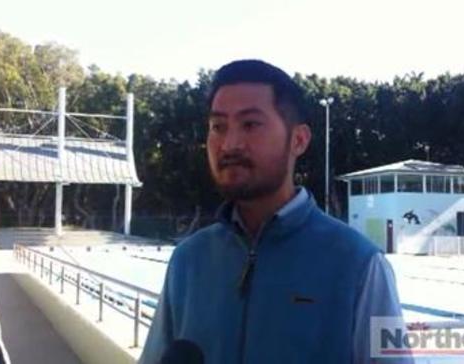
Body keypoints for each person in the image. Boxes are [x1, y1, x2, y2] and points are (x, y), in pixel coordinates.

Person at [139, 59, 412, 364]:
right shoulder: (187, 262)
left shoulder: (360, 266)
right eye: (218, 127)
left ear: (298, 140)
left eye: (250, 124)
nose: (229, 144)